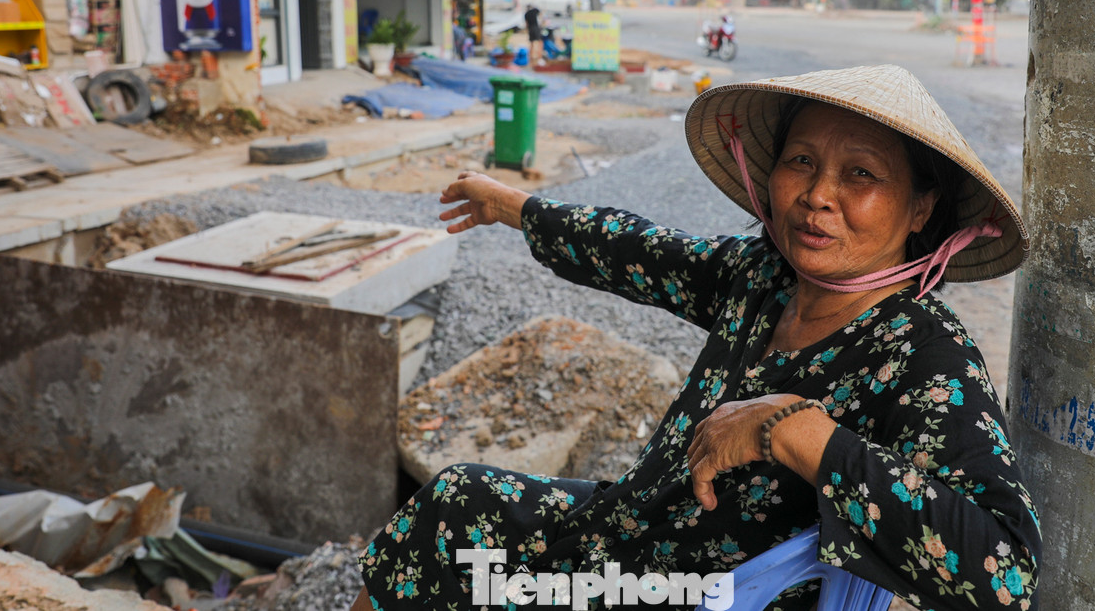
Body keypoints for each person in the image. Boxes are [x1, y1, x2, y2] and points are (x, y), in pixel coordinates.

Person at [352, 65, 1041, 611]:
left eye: (860, 174)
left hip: (705, 590)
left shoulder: (923, 354)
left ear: (921, 208)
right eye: (802, 161)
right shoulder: (762, 277)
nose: (817, 195)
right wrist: (519, 209)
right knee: (455, 504)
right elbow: (642, 251)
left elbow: (1002, 573)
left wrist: (795, 432)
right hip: (626, 535)